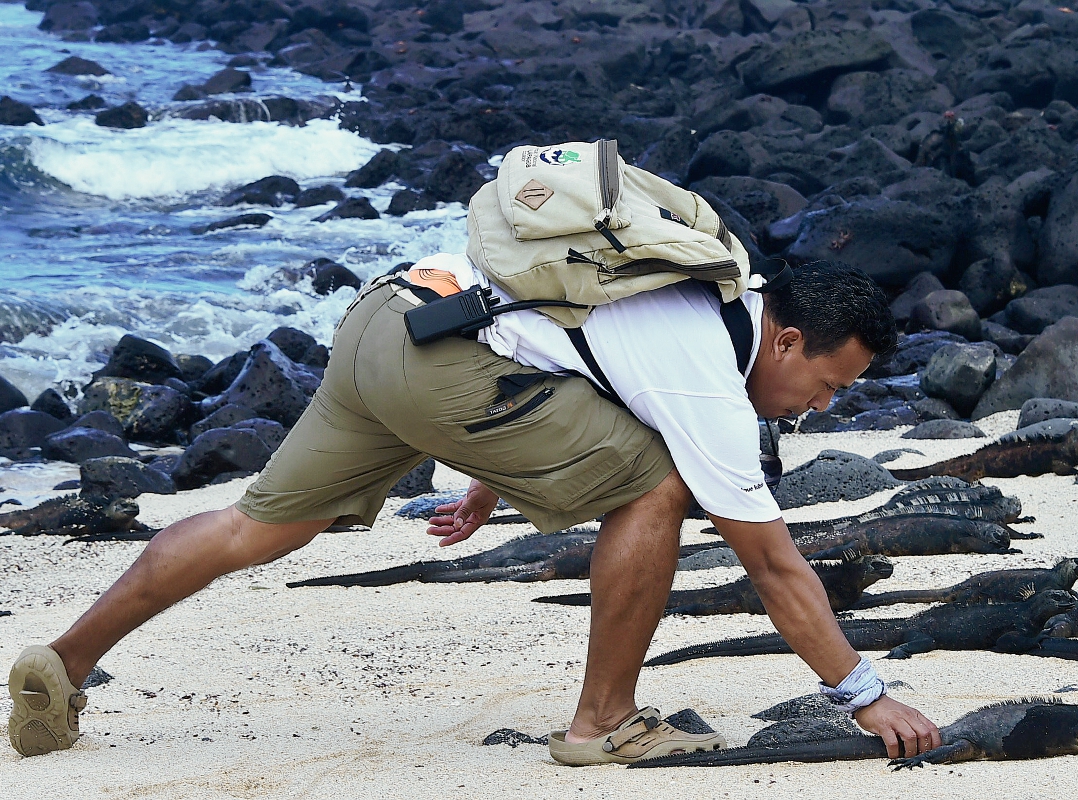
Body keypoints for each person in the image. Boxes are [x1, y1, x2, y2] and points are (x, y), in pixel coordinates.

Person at [8, 255, 941, 764]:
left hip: (393, 314)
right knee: (659, 482)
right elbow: (774, 566)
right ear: (784, 339)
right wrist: (864, 695)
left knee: (256, 526)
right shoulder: (710, 381)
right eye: (827, 382)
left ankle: (66, 661)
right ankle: (602, 724)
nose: (823, 405)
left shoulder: (701, 280)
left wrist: (489, 474)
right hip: (450, 371)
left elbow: (577, 348)